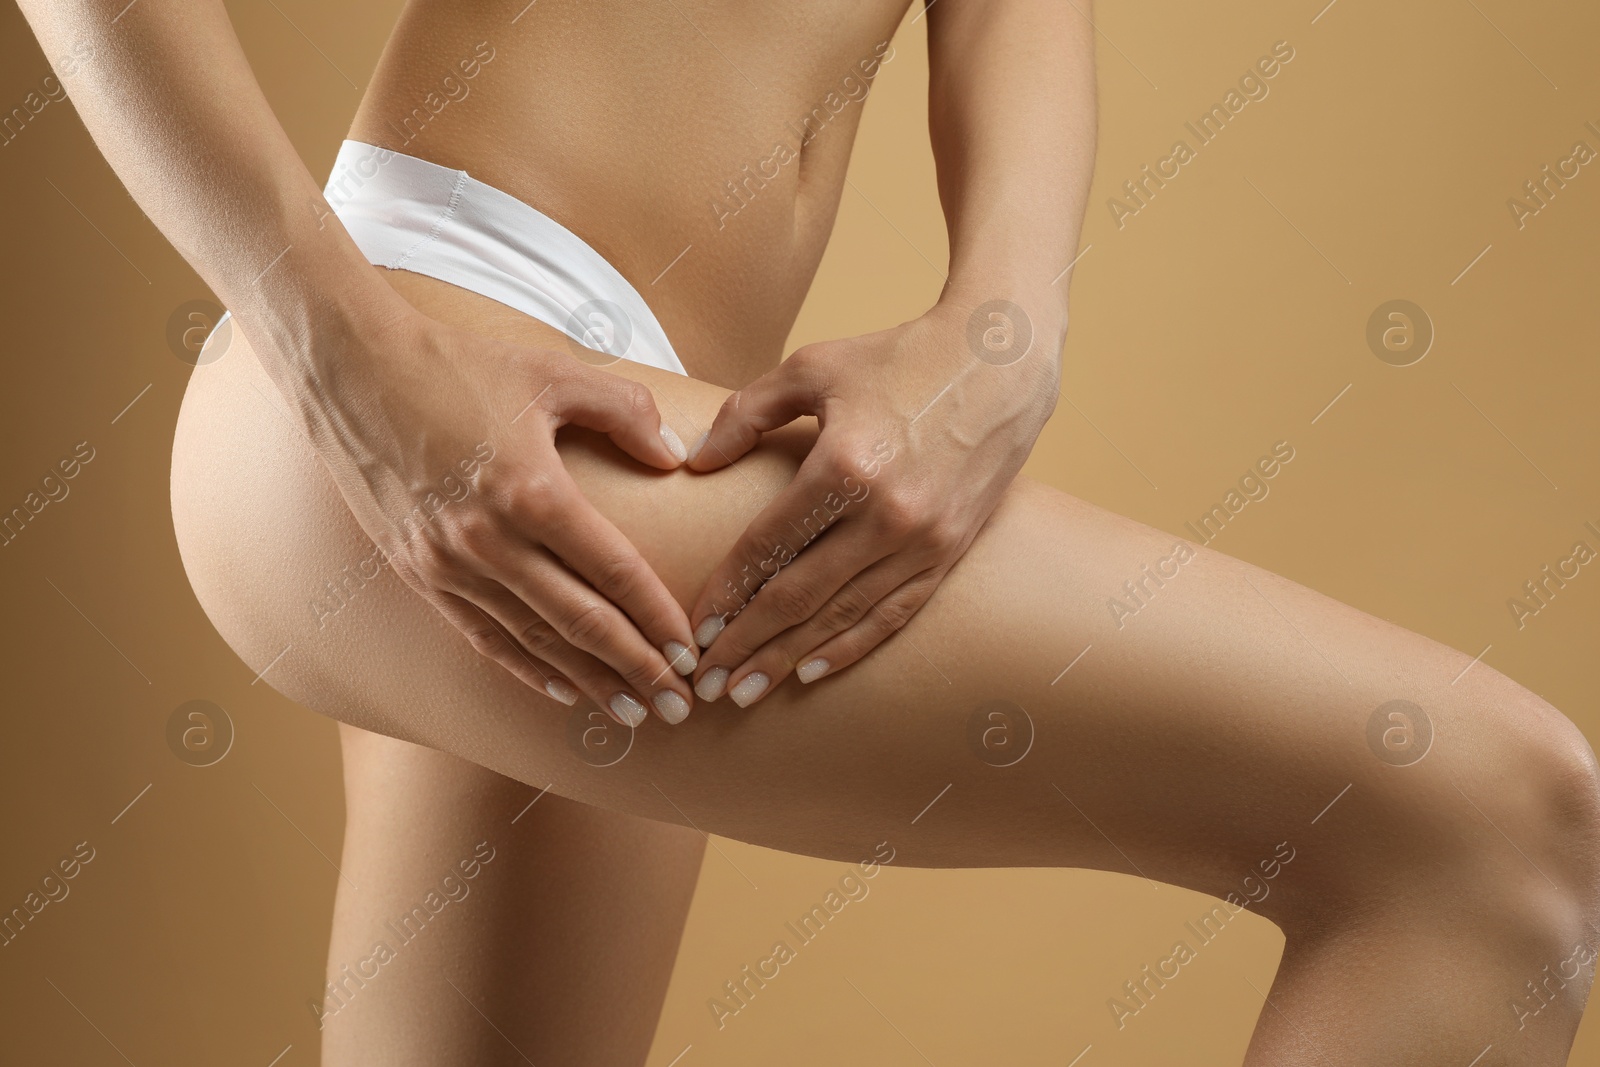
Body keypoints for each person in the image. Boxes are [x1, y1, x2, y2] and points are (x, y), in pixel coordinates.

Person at [21, 1, 1600, 1065]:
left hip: (637, 418)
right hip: (448, 343)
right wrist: (341, 352)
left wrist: (1003, 325)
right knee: (1491, 829)